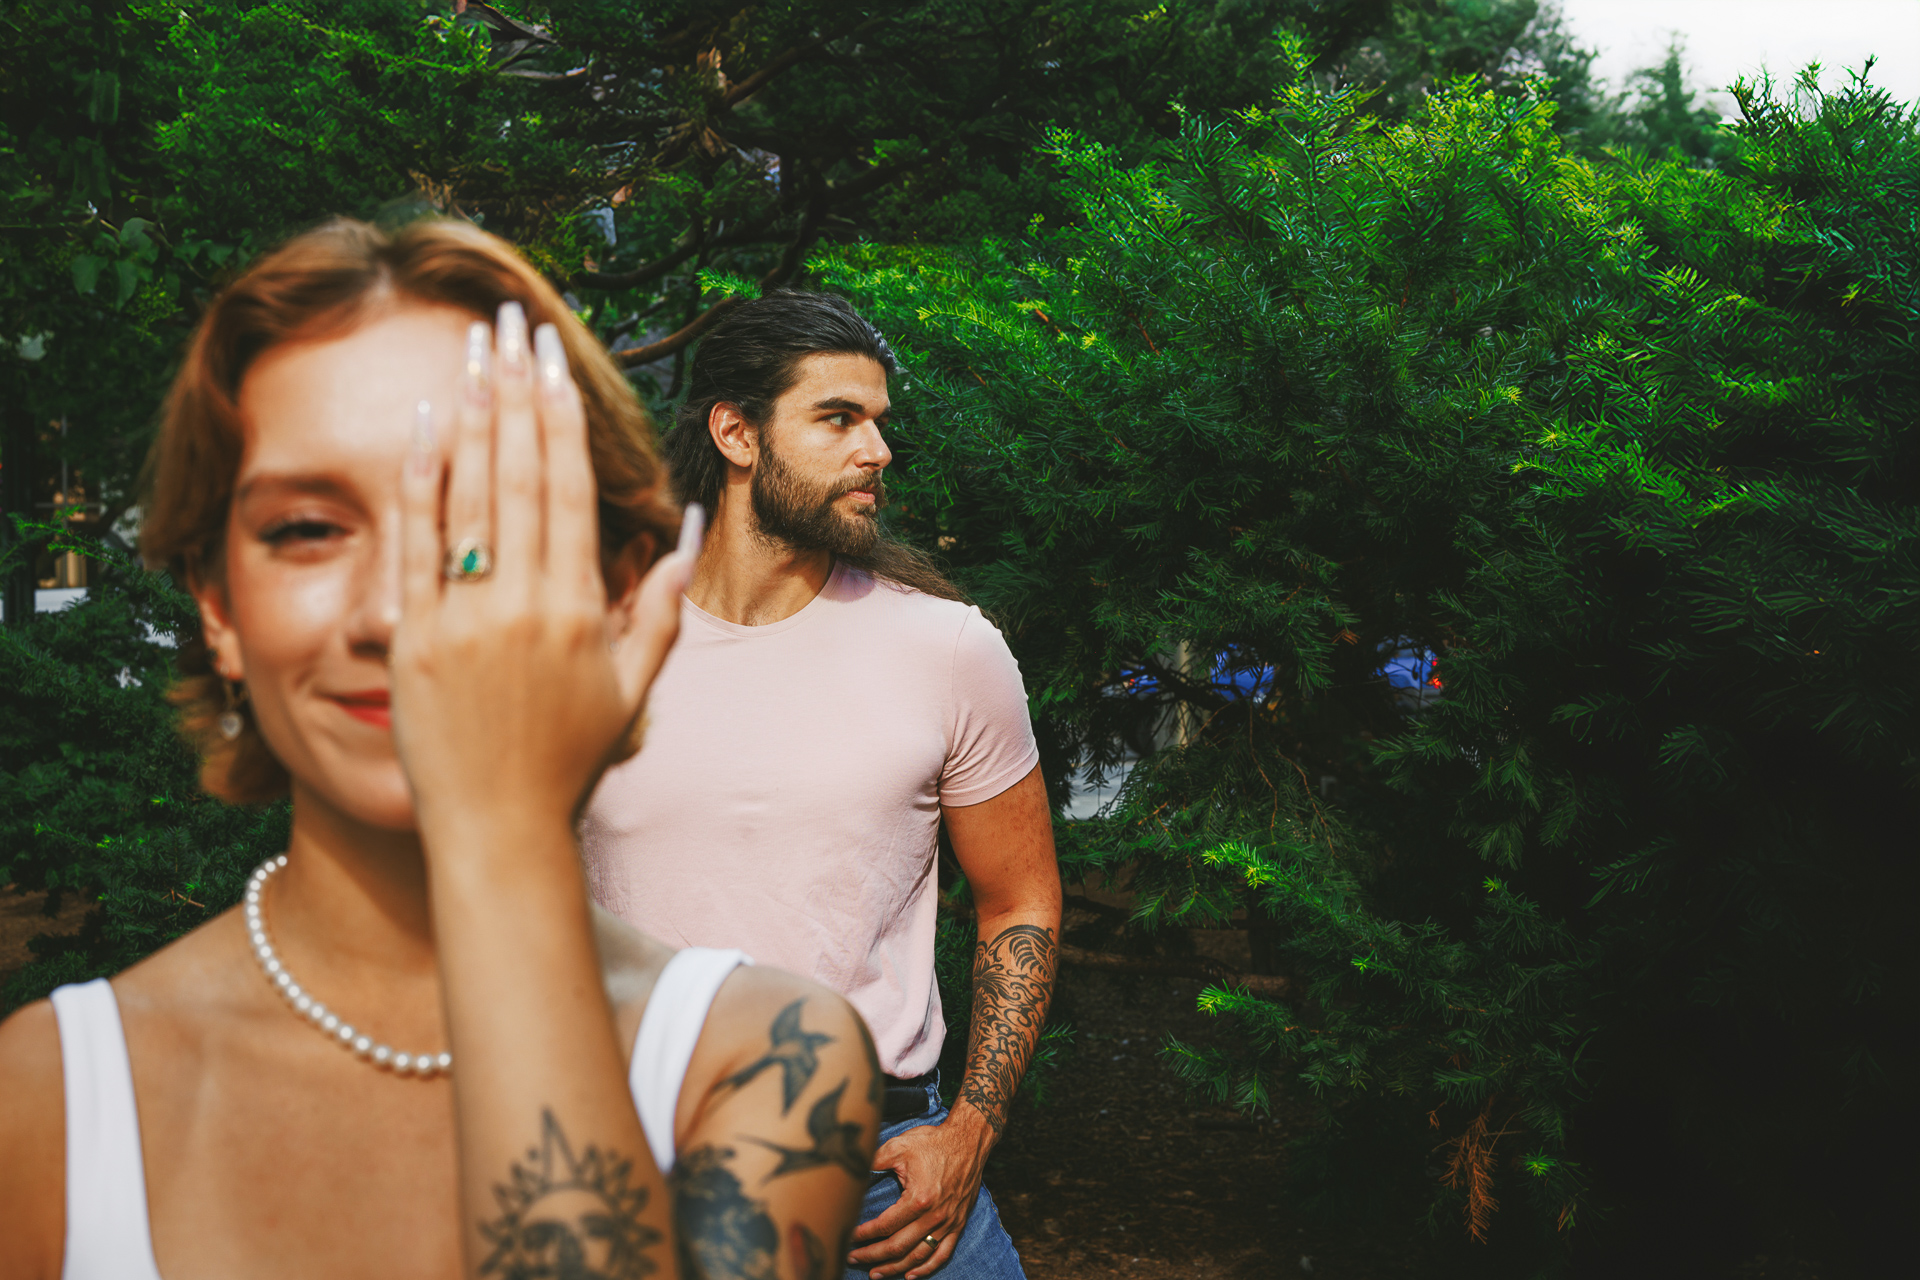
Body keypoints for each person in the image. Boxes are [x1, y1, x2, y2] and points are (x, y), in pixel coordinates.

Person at [0, 220, 880, 1280]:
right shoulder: (46, 1101)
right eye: (308, 529)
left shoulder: (767, 1061)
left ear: (613, 589)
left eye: (478, 525)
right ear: (220, 607)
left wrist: (499, 833)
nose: (396, 613)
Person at [579, 292, 1062, 1280]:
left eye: (881, 421)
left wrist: (971, 1125)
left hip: (884, 1183)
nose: (878, 449)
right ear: (736, 432)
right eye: (839, 418)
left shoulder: (948, 649)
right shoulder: (594, 645)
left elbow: (1020, 899)